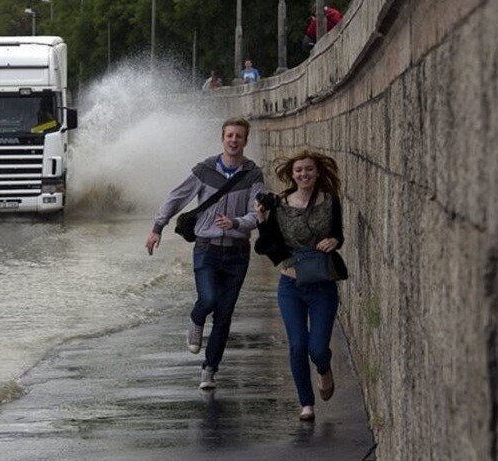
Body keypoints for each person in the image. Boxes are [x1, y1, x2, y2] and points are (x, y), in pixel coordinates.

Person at [145, 117, 265, 390]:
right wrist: (157, 228)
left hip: (237, 252)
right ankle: (197, 319)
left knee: (224, 314)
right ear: (222, 139)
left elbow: (257, 214)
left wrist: (236, 223)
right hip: (206, 249)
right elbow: (176, 197)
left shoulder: (254, 175)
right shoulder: (204, 169)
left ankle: (209, 370)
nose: (234, 140)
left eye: (239, 136)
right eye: (230, 135)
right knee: (208, 299)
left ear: (245, 141)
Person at [253, 150, 349, 421]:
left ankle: (324, 368)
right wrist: (261, 218)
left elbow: (338, 234)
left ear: (317, 172)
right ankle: (306, 404)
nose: (304, 174)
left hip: (322, 285)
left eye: (309, 169)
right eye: (299, 171)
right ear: (292, 175)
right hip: (290, 286)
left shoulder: (330, 201)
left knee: (317, 348)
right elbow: (268, 242)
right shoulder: (281, 203)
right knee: (297, 345)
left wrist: (335, 242)